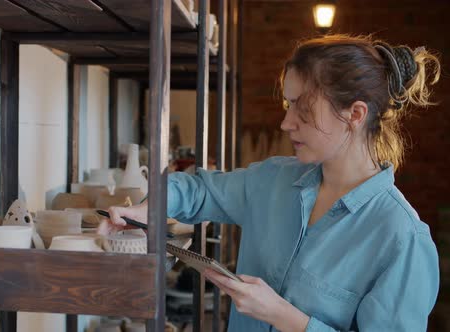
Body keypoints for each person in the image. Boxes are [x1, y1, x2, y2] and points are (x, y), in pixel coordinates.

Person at [99, 34, 441, 331]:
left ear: (355, 114)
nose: (286, 123)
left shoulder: (403, 239)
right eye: (287, 105)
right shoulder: (274, 179)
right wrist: (150, 210)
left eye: (301, 107)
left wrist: (282, 315)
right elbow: (199, 190)